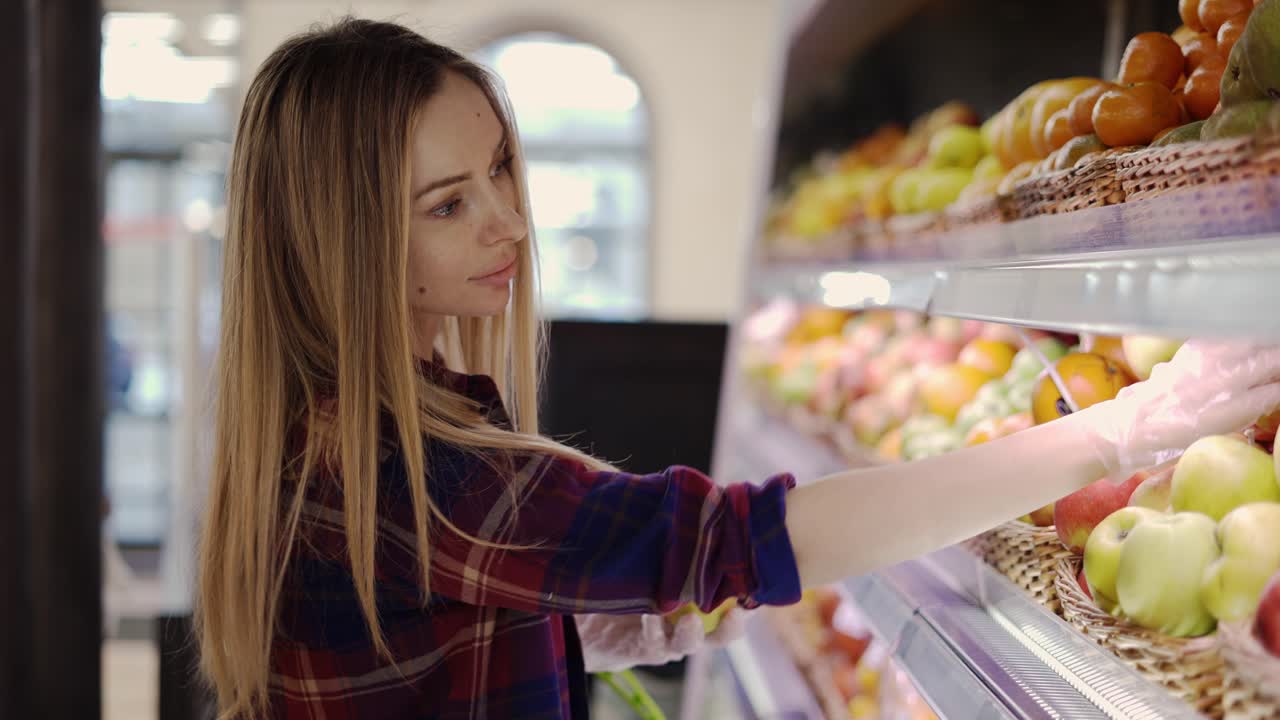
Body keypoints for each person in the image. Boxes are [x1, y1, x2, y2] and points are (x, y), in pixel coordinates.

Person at [193, 17, 1280, 720]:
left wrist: (577, 611)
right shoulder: (428, 473)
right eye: (447, 204)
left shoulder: (333, 438)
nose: (507, 224)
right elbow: (741, 539)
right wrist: (1123, 427)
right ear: (345, 241)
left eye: (500, 171)